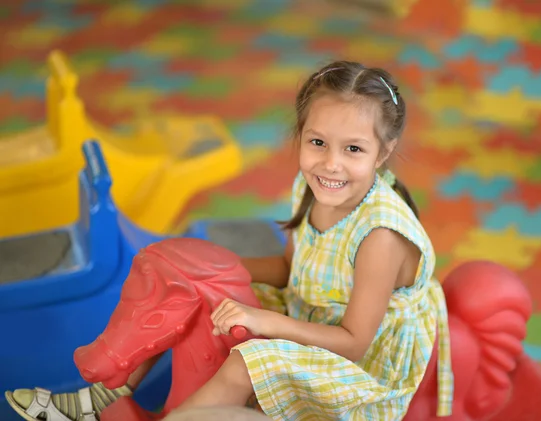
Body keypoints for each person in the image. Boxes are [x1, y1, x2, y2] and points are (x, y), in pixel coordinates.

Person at [6, 60, 453, 421]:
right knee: (193, 294)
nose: (330, 164)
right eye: (318, 142)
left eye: (353, 149)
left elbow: (354, 340)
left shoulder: (380, 236)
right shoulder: (312, 187)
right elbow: (289, 269)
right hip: (311, 312)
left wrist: (266, 325)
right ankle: (95, 401)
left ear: (385, 150)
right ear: (301, 135)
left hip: (359, 362)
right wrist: (203, 268)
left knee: (248, 359)